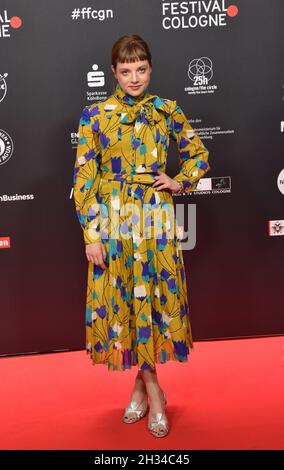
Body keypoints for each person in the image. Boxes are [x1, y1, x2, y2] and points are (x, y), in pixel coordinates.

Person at [73, 34, 210, 438]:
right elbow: (84, 178)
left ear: (150, 69)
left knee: (153, 298)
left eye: (141, 69)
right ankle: (152, 387)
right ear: (114, 72)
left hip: (153, 219)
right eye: (126, 70)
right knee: (125, 301)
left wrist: (179, 181)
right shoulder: (95, 116)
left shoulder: (167, 111)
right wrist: (91, 232)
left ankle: (144, 385)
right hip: (114, 221)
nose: (135, 77)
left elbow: (199, 155)